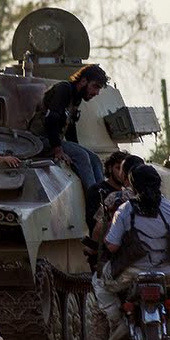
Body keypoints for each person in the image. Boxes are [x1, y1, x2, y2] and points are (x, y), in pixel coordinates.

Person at [81, 164, 170, 340]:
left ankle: (117, 323)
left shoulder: (121, 206)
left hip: (131, 273)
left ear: (130, 181)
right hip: (166, 274)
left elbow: (112, 246)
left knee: (98, 285)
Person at [28, 63, 110, 229]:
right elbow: (51, 119)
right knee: (82, 156)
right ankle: (94, 206)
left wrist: (74, 148)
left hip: (53, 140)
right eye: (95, 87)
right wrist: (58, 149)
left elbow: (70, 127)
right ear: (83, 81)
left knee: (92, 158)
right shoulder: (64, 89)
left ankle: (104, 200)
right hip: (39, 140)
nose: (96, 93)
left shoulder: (76, 97)